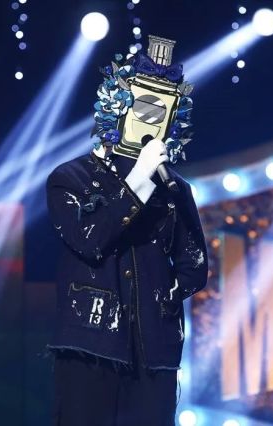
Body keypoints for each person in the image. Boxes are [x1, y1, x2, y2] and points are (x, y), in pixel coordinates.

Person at [46, 36, 208, 425]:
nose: (152, 120)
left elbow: (195, 265)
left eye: (162, 110)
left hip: (154, 351)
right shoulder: (70, 179)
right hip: (90, 342)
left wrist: (165, 296)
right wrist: (138, 181)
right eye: (145, 106)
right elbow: (90, 239)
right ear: (118, 105)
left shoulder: (175, 189)